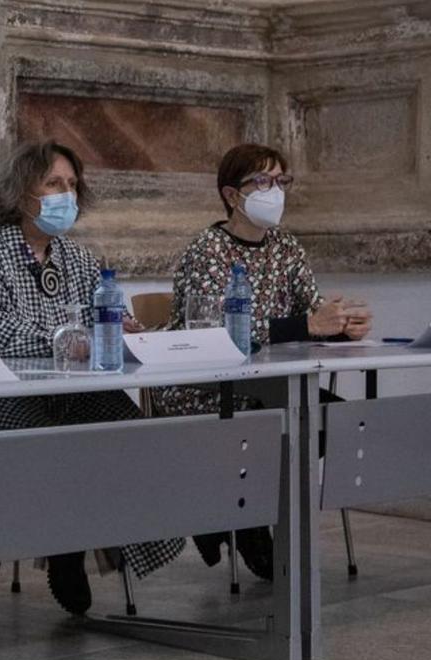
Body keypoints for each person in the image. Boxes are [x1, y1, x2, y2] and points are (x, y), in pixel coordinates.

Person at [0, 140, 184, 619]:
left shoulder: (79, 258)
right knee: (29, 435)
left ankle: (71, 545)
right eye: (53, 184)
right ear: (23, 193)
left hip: (65, 391)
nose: (66, 194)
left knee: (127, 430)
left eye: (71, 185)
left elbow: (104, 315)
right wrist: (71, 341)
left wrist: (117, 327)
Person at [156, 143, 372, 580]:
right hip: (203, 388)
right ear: (232, 196)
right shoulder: (209, 250)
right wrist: (310, 324)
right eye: (262, 181)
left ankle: (232, 510)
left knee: (338, 422)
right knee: (277, 427)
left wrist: (344, 321)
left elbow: (312, 312)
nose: (274, 190)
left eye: (280, 181)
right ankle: (240, 515)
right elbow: (218, 334)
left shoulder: (285, 246)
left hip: (271, 385)